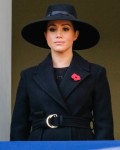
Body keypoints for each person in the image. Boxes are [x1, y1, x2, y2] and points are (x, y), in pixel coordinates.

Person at [10, 3, 114, 141]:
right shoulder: (28, 76)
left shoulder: (96, 74)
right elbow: (19, 128)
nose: (58, 35)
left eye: (65, 29)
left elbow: (104, 126)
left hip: (80, 145)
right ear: (46, 35)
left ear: (75, 35)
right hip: (39, 145)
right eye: (52, 29)